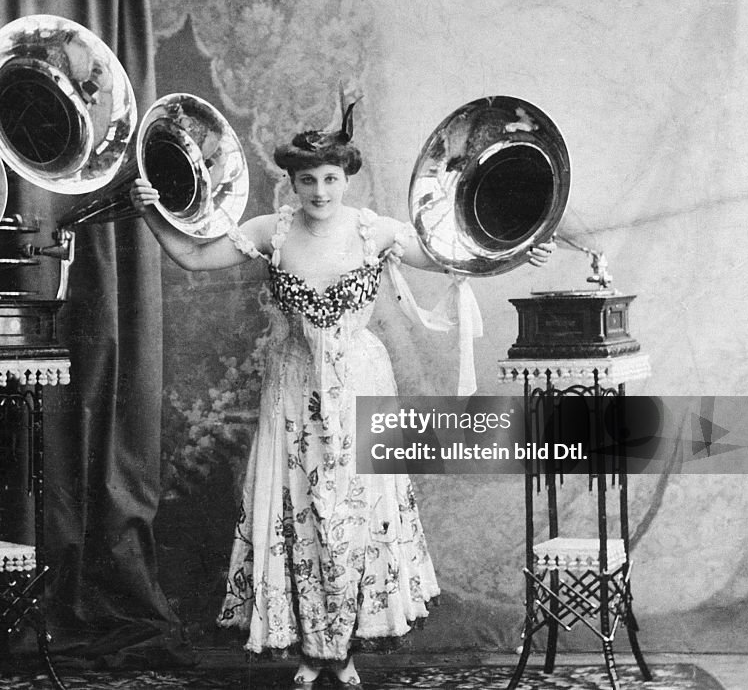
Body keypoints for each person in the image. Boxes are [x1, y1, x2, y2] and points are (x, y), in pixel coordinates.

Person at [129, 101, 553, 689]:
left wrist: (515, 254)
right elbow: (195, 256)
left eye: (331, 179)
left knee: (354, 516)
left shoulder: (372, 229)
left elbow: (455, 257)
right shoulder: (270, 230)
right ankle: (311, 649)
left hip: (359, 385)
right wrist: (148, 214)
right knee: (300, 510)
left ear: (346, 179)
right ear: (292, 182)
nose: (320, 192)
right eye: (308, 180)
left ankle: (345, 648)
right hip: (293, 389)